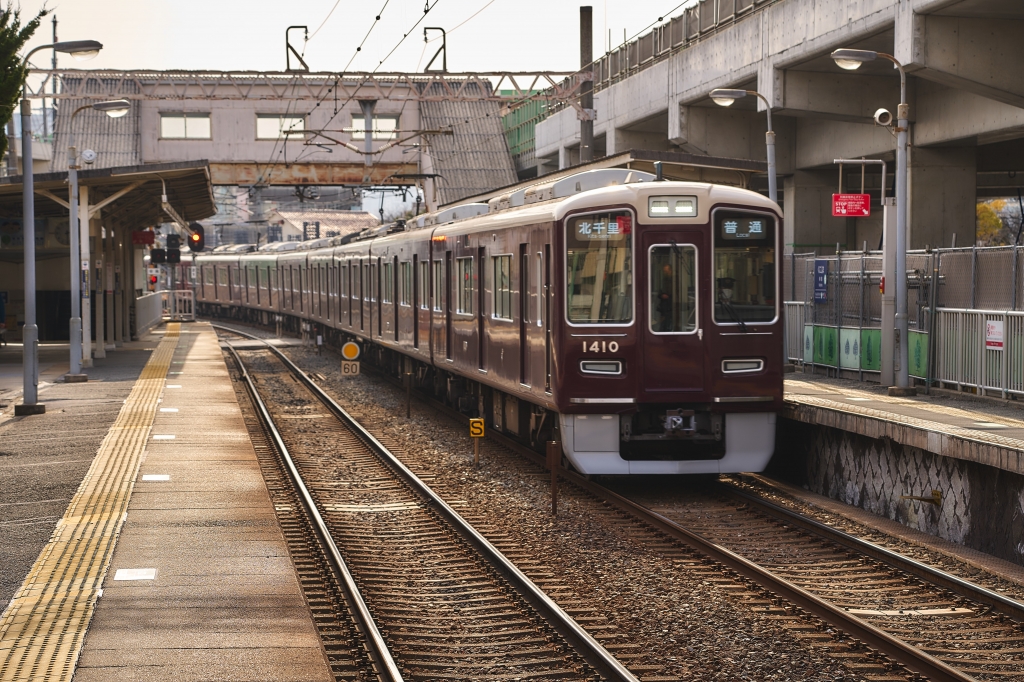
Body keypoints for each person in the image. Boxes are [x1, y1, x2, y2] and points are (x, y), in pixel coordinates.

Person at [657, 264, 674, 331]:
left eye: (666, 271)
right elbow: (659, 291)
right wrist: (661, 295)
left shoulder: (675, 280)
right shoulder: (663, 280)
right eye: (664, 271)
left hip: (672, 305)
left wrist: (669, 297)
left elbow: (678, 293)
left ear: (671, 271)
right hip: (664, 306)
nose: (665, 273)